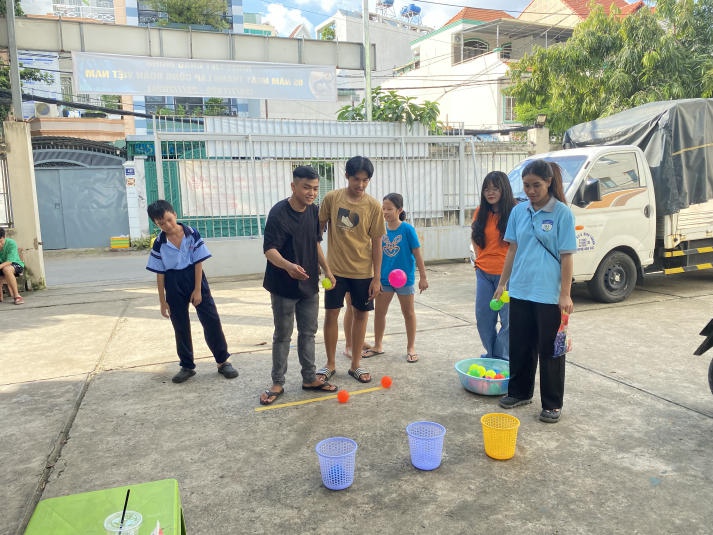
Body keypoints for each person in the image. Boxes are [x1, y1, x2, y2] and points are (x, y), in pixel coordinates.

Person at [494, 160, 576, 423]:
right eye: (527, 185)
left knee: (551, 350)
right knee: (520, 345)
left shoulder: (562, 213)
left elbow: (567, 257)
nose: (530, 190)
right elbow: (512, 250)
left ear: (549, 182)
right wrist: (502, 283)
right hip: (520, 290)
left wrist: (565, 293)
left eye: (536, 185)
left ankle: (552, 403)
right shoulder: (519, 212)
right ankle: (519, 392)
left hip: (548, 294)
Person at [259, 166, 338, 405]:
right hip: (283, 285)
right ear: (293, 187)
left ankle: (309, 378)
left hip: (309, 285)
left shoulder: (313, 211)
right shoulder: (278, 213)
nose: (312, 192)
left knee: (308, 333)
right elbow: (269, 251)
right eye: (306, 187)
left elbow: (315, 243)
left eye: (315, 188)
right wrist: (288, 266)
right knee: (283, 335)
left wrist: (327, 269)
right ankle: (277, 382)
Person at [145, 200, 239, 384]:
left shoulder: (191, 233)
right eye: (160, 224)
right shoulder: (159, 243)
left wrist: (197, 290)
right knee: (180, 326)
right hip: (173, 282)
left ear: (175, 214)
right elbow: (160, 273)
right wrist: (162, 301)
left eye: (169, 220)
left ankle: (222, 362)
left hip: (195, 278)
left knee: (211, 320)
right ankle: (187, 366)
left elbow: (198, 263)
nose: (167, 226)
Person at [317, 156, 386, 384]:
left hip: (363, 273)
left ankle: (356, 364)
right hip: (335, 271)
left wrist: (377, 278)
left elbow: (377, 244)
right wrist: (322, 266)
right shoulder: (332, 199)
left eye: (365, 180)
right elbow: (318, 230)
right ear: (346, 175)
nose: (361, 185)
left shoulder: (374, 206)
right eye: (356, 179)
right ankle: (330, 365)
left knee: (361, 316)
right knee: (331, 315)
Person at [363, 193, 428, 362]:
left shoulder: (407, 229)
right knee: (379, 313)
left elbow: (417, 253)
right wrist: (373, 276)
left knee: (408, 313)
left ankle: (411, 347)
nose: (385, 212)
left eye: (389, 209)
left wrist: (423, 276)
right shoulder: (380, 229)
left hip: (404, 279)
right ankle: (378, 345)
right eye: (383, 208)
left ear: (399, 210)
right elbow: (374, 254)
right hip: (384, 279)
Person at [471, 171, 516, 361]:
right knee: (483, 318)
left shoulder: (515, 211)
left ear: (504, 189)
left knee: (508, 321)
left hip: (508, 275)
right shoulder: (480, 211)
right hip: (484, 273)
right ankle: (491, 354)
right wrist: (479, 261)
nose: (490, 192)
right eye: (486, 188)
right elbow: (475, 237)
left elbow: (518, 245)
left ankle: (501, 357)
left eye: (495, 188)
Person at [0, 228, 25, 305]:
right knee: (4, 268)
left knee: (6, 269)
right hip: (1, 266)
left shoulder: (11, 243)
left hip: (15, 264)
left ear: (4, 237)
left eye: (0, 241)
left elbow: (9, 261)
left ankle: (17, 296)